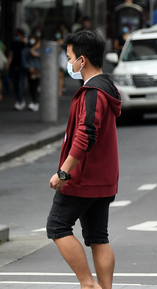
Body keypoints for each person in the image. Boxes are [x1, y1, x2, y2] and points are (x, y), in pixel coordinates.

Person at [46, 30, 122, 289]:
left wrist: (64, 173)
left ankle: (87, 284)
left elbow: (85, 135)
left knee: (57, 226)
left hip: (84, 178)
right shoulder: (107, 87)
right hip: (103, 179)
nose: (69, 64)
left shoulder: (92, 92)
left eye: (69, 58)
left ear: (82, 60)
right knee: (99, 237)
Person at [7, 29, 28, 111]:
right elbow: (11, 54)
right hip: (14, 66)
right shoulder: (13, 44)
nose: (17, 37)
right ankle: (20, 99)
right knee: (15, 84)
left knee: (20, 84)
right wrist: (8, 64)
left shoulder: (24, 44)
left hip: (21, 67)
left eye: (18, 35)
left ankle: (19, 100)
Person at [23, 30, 42, 111]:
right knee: (31, 86)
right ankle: (33, 101)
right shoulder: (25, 50)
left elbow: (43, 58)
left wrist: (34, 48)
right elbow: (24, 60)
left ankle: (35, 102)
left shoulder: (39, 50)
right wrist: (28, 67)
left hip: (38, 71)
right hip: (30, 71)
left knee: (35, 86)